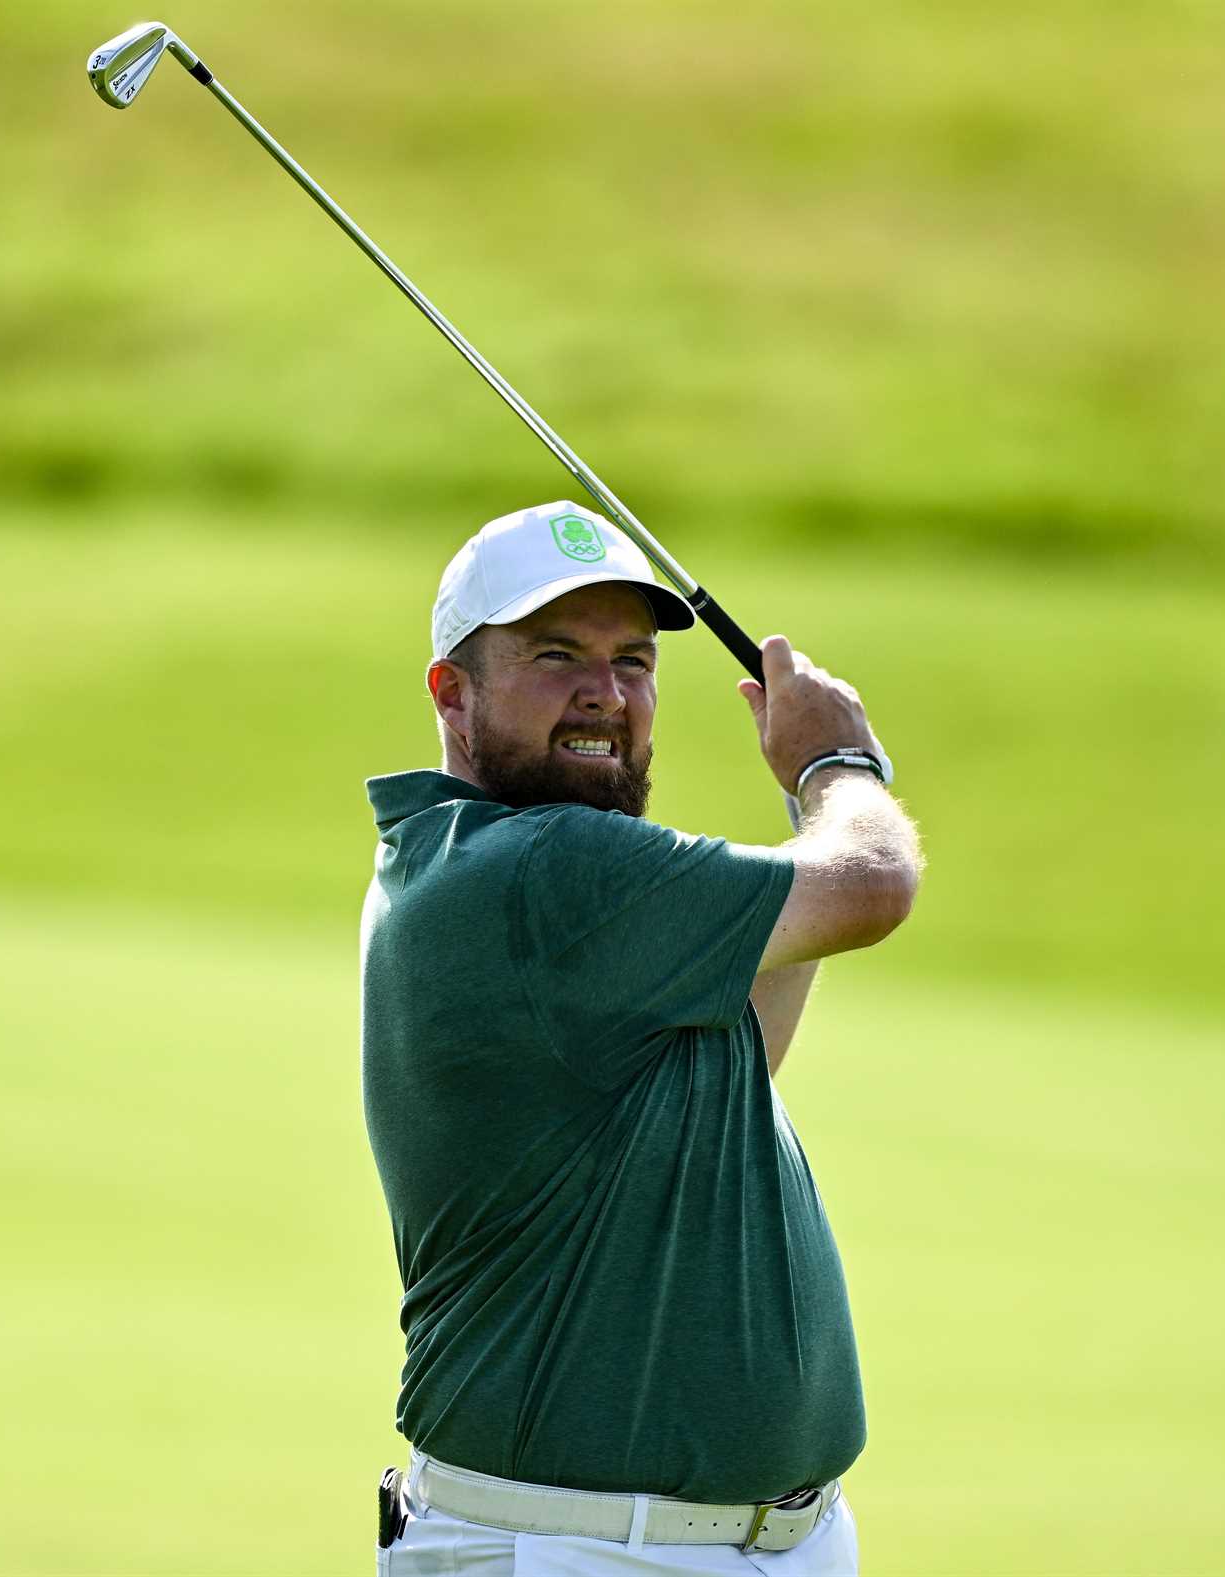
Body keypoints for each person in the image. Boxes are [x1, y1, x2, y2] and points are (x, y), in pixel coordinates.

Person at [361, 500, 922, 1575]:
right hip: (579, 1548)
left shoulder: (481, 863)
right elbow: (875, 883)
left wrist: (790, 865)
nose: (603, 693)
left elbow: (728, 1061)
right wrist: (833, 769)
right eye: (553, 654)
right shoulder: (538, 870)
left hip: (724, 1541)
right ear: (452, 692)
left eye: (632, 660)